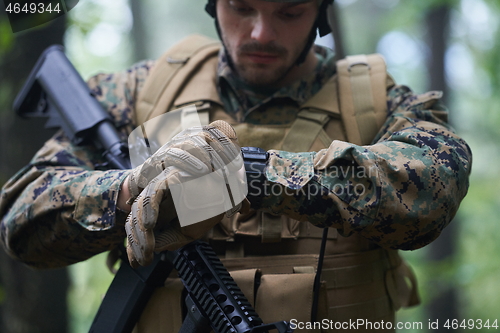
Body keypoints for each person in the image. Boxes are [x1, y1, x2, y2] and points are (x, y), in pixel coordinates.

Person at [0, 0, 472, 331]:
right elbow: (21, 219)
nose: (261, 32)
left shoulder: (372, 100)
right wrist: (128, 191)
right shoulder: (140, 92)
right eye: (241, 7)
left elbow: (433, 184)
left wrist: (246, 175)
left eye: (289, 11)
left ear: (321, 13)